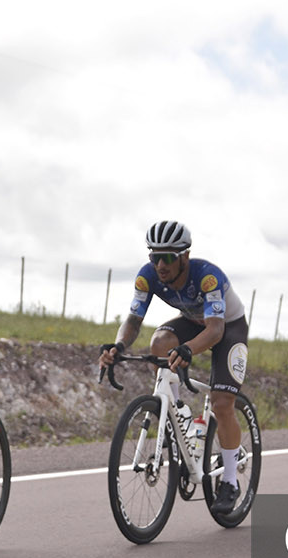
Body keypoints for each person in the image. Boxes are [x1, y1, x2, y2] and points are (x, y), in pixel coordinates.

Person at [97, 221, 252, 516]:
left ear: (184, 256)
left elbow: (216, 331)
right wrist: (118, 346)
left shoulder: (207, 276)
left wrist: (188, 349)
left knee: (221, 403)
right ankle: (177, 409)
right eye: (155, 257)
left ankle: (230, 481)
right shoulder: (148, 276)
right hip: (193, 322)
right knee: (159, 342)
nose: (160, 265)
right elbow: (133, 321)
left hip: (227, 328)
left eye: (167, 257)